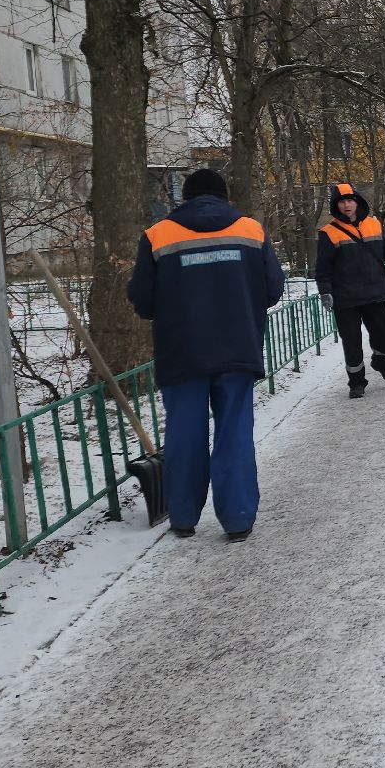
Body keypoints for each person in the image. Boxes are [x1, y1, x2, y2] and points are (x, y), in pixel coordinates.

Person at [127, 168, 284, 542]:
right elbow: (274, 288)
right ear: (224, 196)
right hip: (238, 347)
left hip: (181, 352)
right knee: (234, 433)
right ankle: (238, 519)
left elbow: (142, 300)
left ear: (185, 197)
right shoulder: (250, 230)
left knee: (184, 433)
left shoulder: (158, 235)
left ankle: (182, 517)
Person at [316, 183, 385, 398]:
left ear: (357, 202)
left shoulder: (373, 225)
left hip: (376, 293)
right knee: (352, 344)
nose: (346, 205)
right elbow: (323, 268)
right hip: (346, 298)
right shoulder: (329, 233)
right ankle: (356, 382)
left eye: (350, 200)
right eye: (342, 202)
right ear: (335, 205)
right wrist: (325, 291)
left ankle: (382, 363)